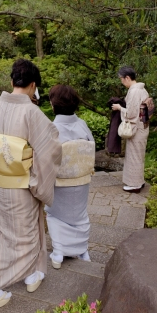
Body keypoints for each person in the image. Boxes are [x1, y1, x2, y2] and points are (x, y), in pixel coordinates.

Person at [0, 59, 62, 311]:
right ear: (33, 85)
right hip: (22, 185)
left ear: (12, 82)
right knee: (28, 233)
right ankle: (27, 278)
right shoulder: (32, 113)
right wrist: (37, 182)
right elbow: (50, 150)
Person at [45, 85, 95, 269]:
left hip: (59, 183)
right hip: (82, 180)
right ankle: (82, 249)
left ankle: (59, 251)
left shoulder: (51, 128)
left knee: (55, 214)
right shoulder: (82, 124)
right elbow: (90, 148)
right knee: (79, 214)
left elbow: (44, 159)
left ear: (53, 105)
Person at [111, 66, 149, 193]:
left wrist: (119, 108)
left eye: (122, 79)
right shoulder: (142, 89)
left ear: (127, 78)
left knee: (134, 156)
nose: (121, 82)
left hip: (137, 128)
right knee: (139, 156)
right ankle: (140, 181)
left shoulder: (134, 91)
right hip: (143, 125)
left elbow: (132, 113)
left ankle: (134, 184)